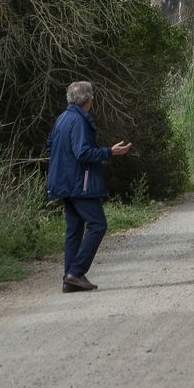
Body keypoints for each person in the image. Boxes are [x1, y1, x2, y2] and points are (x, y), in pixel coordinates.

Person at [45, 80, 131, 292]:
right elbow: (83, 152)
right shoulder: (79, 121)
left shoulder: (62, 119)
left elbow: (50, 146)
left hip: (63, 182)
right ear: (88, 100)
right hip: (78, 184)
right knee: (98, 224)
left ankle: (70, 278)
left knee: (74, 230)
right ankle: (76, 271)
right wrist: (109, 152)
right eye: (92, 97)